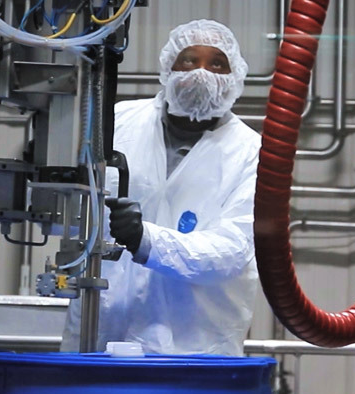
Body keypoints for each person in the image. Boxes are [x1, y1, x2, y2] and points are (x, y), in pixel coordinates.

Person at [63, 19, 260, 356]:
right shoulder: (117, 122)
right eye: (189, 60)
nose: (201, 73)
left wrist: (146, 240)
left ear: (235, 77)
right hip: (100, 333)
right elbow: (72, 210)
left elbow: (233, 250)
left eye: (216, 63)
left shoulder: (251, 151)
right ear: (168, 67)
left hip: (193, 348)